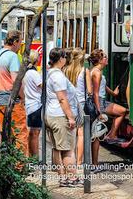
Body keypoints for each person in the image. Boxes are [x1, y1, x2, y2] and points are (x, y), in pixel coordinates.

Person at [45, 48, 81, 187]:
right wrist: (70, 117)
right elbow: (62, 99)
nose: (66, 59)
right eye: (65, 57)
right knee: (68, 150)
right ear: (60, 59)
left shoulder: (51, 73)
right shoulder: (58, 76)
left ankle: (62, 178)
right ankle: (72, 179)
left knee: (57, 148)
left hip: (53, 114)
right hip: (60, 116)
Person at [0, 30, 29, 155]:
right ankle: (20, 166)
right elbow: (15, 82)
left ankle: (6, 162)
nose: (20, 46)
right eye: (20, 42)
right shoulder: (12, 56)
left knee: (4, 133)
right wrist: (23, 97)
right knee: (20, 134)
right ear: (14, 42)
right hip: (11, 101)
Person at [88, 49, 127, 168]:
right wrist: (99, 111)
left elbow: (102, 86)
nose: (106, 59)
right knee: (122, 111)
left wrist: (114, 93)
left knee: (96, 135)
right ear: (100, 60)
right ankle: (111, 135)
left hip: (101, 100)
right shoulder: (97, 73)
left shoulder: (98, 71)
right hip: (99, 102)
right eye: (104, 57)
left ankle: (111, 135)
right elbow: (95, 92)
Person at [64, 48, 92, 165]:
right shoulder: (85, 71)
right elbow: (90, 90)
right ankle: (79, 162)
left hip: (68, 103)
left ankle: (69, 160)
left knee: (70, 133)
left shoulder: (65, 70)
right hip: (80, 103)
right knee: (81, 133)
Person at [23, 50, 42, 157]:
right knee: (35, 133)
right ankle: (35, 157)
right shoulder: (34, 73)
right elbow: (42, 86)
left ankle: (31, 155)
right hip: (36, 105)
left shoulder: (26, 72)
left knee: (32, 132)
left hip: (29, 104)